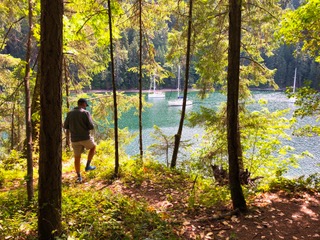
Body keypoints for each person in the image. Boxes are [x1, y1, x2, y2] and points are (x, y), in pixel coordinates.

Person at [64, 98, 96, 183]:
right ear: (83, 104)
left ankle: (79, 176)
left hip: (74, 139)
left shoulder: (69, 113)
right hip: (85, 137)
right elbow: (91, 126)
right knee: (93, 147)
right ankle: (88, 166)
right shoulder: (85, 113)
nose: (86, 106)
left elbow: (65, 126)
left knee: (77, 157)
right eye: (86, 105)